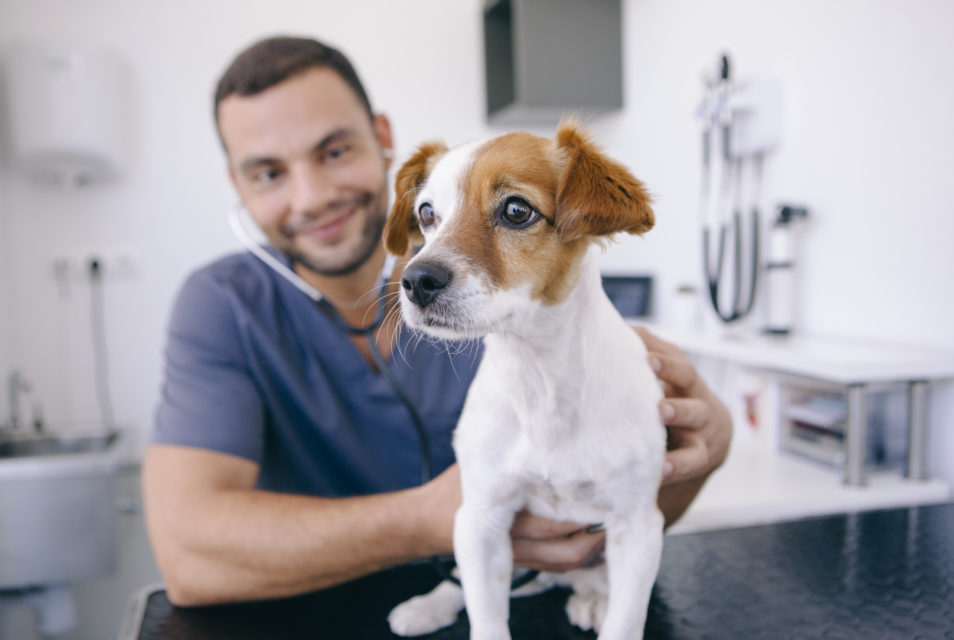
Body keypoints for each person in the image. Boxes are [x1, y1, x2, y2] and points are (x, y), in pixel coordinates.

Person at [143, 36, 732, 607]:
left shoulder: (547, 309)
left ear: (381, 139)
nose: (312, 196)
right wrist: (440, 515)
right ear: (237, 184)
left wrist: (707, 444)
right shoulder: (222, 305)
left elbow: (616, 520)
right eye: (268, 172)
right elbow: (189, 562)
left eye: (334, 151)